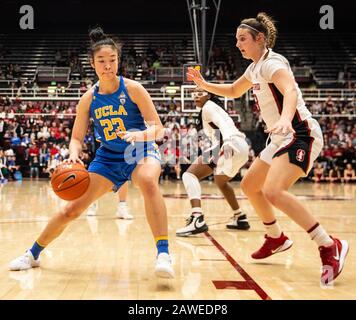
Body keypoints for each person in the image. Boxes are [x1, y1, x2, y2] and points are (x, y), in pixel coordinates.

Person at [187, 12, 348, 285]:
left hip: (300, 133)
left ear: (260, 39)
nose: (238, 44)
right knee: (250, 185)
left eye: (243, 39)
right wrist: (205, 85)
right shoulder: (254, 68)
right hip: (280, 139)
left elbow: (291, 92)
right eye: (237, 39)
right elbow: (235, 90)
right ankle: (276, 237)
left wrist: (285, 118)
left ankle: (329, 245)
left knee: (273, 190)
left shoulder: (273, 63)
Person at [9, 27, 174, 278]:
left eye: (112, 60)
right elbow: (76, 137)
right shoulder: (88, 98)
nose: (108, 66)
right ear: (92, 63)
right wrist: (74, 154)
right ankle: (32, 254)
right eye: (102, 61)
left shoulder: (133, 89)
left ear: (118, 60)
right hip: (107, 158)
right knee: (70, 210)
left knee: (149, 181)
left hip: (139, 151)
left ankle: (163, 253)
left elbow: (158, 129)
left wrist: (141, 135)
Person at [176, 88, 250, 236]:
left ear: (209, 94)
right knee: (220, 181)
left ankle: (197, 219)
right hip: (241, 147)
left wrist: (228, 142)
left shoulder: (208, 107)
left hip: (230, 144)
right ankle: (240, 216)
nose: (196, 96)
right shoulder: (212, 107)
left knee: (189, 175)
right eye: (194, 93)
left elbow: (221, 124)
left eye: (200, 93)